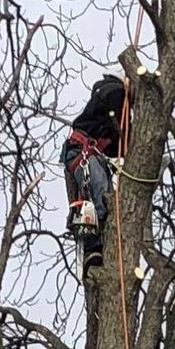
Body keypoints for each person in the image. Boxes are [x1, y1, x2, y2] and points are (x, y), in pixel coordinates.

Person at [62, 73, 127, 271]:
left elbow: (116, 145)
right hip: (83, 153)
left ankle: (100, 244)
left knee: (106, 199)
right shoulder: (114, 90)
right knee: (98, 194)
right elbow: (122, 133)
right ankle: (93, 246)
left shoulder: (103, 107)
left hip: (92, 156)